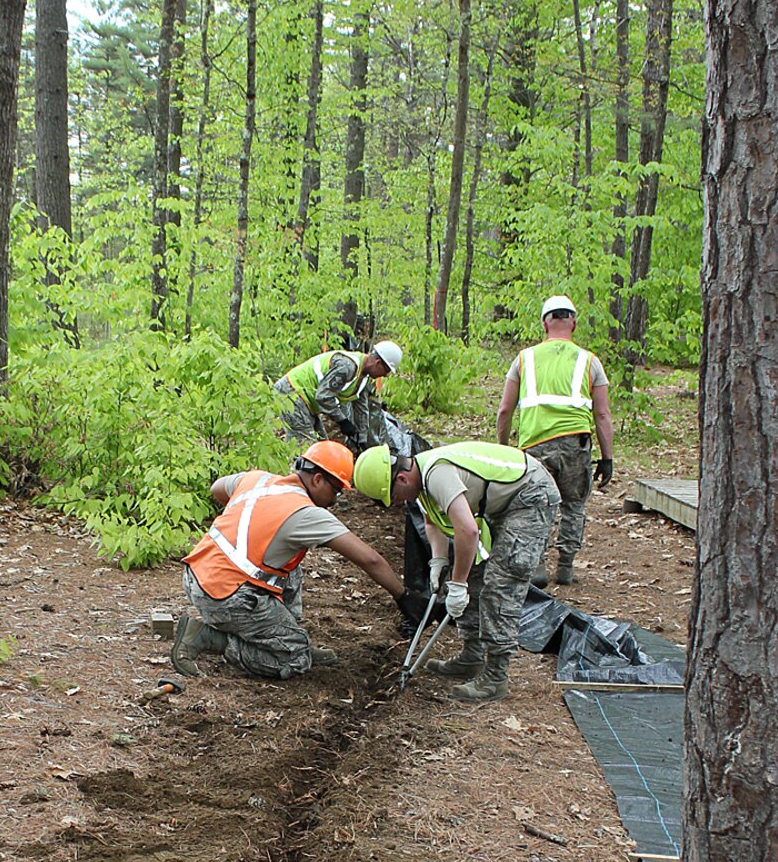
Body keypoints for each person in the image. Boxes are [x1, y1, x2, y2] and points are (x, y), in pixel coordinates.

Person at [172, 440, 418, 681]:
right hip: (226, 597)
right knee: (295, 661)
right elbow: (370, 560)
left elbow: (217, 487)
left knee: (291, 563)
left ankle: (284, 634)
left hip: (198, 575)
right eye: (336, 490)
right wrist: (402, 596)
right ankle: (211, 637)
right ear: (317, 479)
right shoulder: (306, 514)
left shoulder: (256, 479)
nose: (335, 500)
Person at [351, 440, 560, 702]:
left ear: (402, 478)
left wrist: (458, 586)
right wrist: (438, 562)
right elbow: (431, 522)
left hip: (530, 494)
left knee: (501, 581)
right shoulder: (420, 482)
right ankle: (471, 656)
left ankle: (496, 676)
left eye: (393, 497)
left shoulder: (436, 473)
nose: (396, 502)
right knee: (471, 571)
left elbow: (469, 530)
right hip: (502, 501)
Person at [494, 294, 614, 587]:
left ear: (544, 324)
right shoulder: (590, 361)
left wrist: (502, 447)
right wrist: (608, 458)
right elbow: (602, 414)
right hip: (576, 444)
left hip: (534, 446)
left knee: (535, 505)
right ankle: (566, 567)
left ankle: (536, 565)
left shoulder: (524, 358)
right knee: (573, 505)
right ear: (573, 323)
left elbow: (505, 409)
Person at [274, 339, 403, 451]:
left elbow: (361, 407)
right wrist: (343, 421)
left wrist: (362, 439)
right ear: (378, 363)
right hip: (291, 393)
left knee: (323, 448)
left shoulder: (365, 378)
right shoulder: (347, 367)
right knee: (307, 450)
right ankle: (294, 478)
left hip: (306, 402)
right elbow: (323, 396)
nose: (385, 375)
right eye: (386, 370)